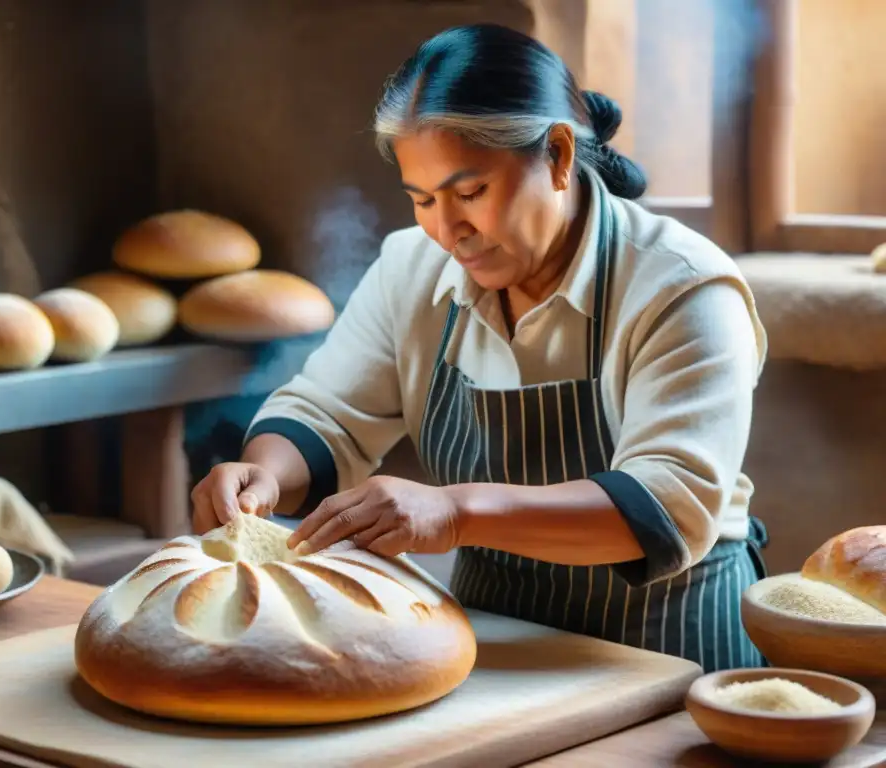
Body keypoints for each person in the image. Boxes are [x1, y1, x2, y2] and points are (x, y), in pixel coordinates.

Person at [191, 23, 768, 673]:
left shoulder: (684, 286)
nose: (448, 230)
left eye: (470, 194)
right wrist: (265, 472)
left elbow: (664, 507)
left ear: (556, 156)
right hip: (493, 651)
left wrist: (454, 511)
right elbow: (326, 412)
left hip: (666, 654)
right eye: (422, 200)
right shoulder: (412, 269)